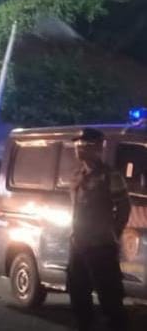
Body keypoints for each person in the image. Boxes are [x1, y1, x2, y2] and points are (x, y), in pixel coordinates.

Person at [68, 127, 131, 331]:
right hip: (78, 243)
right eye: (77, 145)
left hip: (101, 245)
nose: (79, 149)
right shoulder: (78, 175)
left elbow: (124, 207)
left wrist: (114, 234)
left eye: (85, 145)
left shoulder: (110, 176)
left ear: (98, 148)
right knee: (78, 292)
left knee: (109, 296)